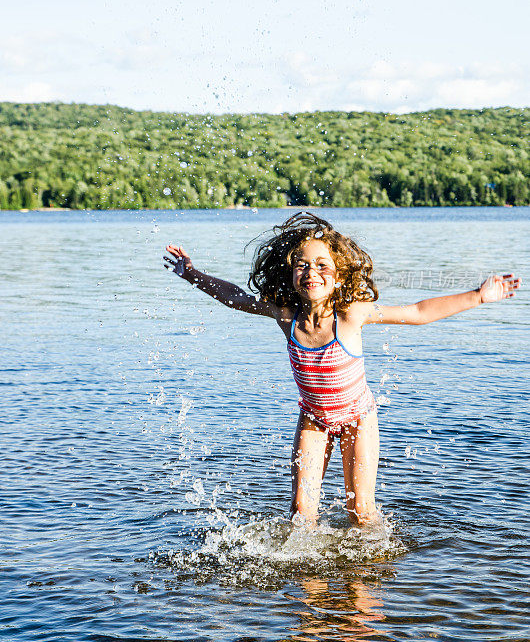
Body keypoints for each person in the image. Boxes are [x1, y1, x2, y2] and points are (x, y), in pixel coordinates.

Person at [163, 212, 521, 527]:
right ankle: (307, 594)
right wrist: (192, 274)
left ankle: (365, 590)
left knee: (361, 512)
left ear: (339, 275)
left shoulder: (351, 315)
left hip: (357, 418)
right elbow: (236, 298)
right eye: (302, 265)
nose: (311, 272)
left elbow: (418, 313)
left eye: (322, 265)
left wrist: (478, 296)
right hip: (314, 420)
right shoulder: (286, 315)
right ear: (290, 273)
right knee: (301, 514)